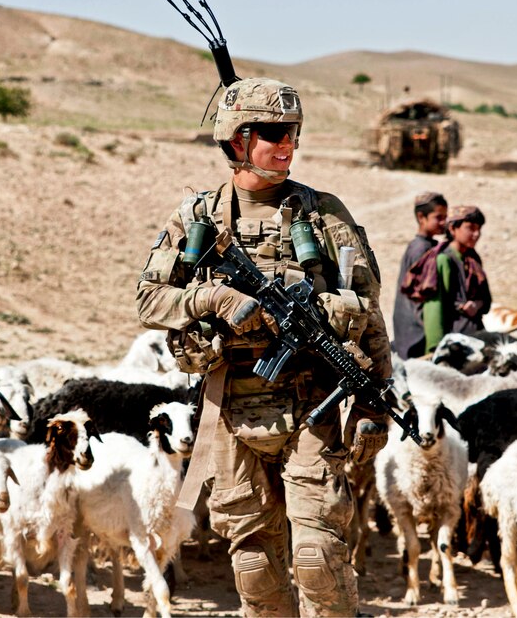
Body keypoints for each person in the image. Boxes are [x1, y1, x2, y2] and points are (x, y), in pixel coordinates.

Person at [136, 77, 392, 617]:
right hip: (230, 410)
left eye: (293, 133)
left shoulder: (324, 214)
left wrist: (374, 404)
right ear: (236, 139)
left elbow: (369, 313)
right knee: (253, 567)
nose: (288, 144)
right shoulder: (198, 218)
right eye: (274, 132)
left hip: (312, 405)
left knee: (319, 558)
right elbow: (149, 300)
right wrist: (216, 299)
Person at [423, 205, 491, 348]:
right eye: (471, 228)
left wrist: (476, 304)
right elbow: (436, 307)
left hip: (476, 334)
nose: (476, 234)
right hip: (454, 340)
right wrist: (436, 346)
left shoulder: (473, 259)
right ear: (453, 229)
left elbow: (486, 299)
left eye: (479, 229)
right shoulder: (443, 260)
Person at [392, 192, 447, 358]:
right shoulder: (420, 249)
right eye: (438, 217)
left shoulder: (427, 245)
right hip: (415, 328)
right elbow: (419, 294)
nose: (443, 222)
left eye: (445, 217)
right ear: (421, 217)